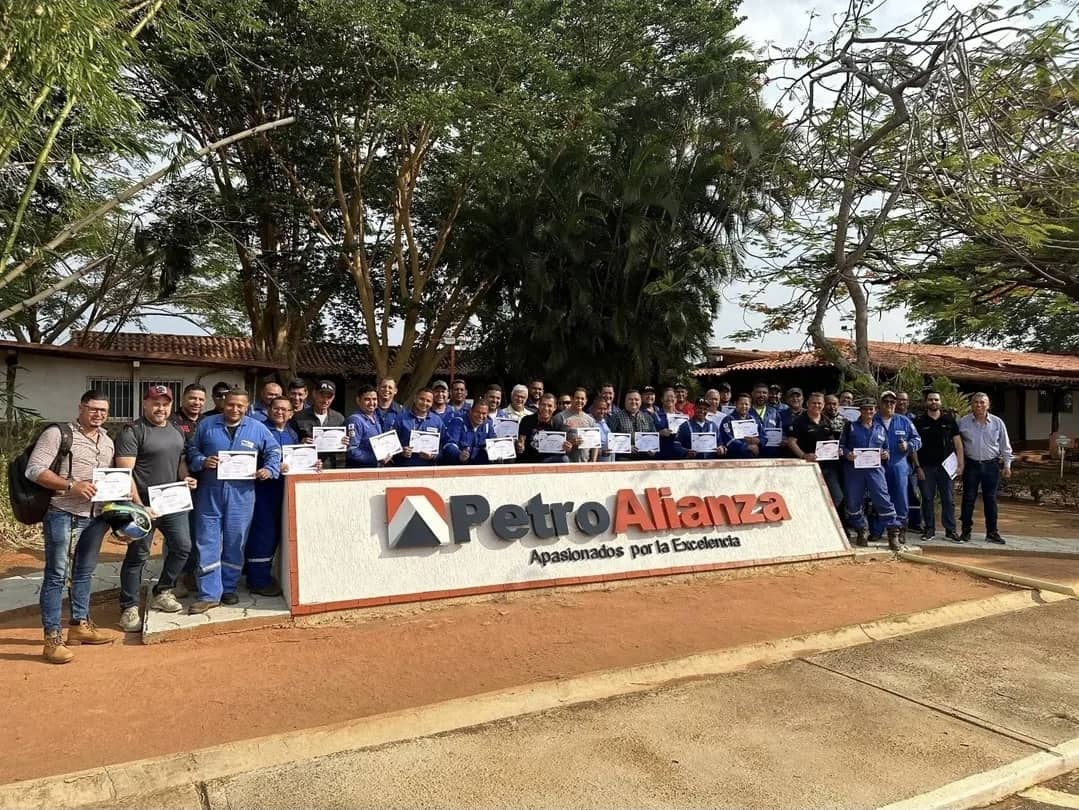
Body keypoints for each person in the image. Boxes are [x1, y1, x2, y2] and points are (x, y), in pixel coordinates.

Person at [25, 390, 119, 663]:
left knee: (84, 573)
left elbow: (111, 478)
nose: (98, 414)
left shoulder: (108, 442)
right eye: (93, 408)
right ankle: (51, 639)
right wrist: (70, 485)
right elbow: (34, 470)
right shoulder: (59, 433)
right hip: (62, 512)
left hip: (96, 517)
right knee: (56, 574)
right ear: (81, 408)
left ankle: (79, 626)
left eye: (103, 410)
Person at [186, 389, 281, 613]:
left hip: (242, 493)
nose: (234, 409)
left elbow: (274, 451)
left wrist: (269, 469)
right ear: (222, 404)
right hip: (210, 492)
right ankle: (209, 593)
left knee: (235, 541)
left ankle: (228, 588)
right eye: (230, 404)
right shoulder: (207, 425)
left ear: (247, 407)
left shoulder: (257, 428)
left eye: (240, 406)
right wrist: (201, 461)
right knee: (206, 540)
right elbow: (191, 450)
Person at [114, 385, 197, 631]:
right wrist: (140, 507)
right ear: (145, 404)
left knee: (183, 547)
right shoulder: (133, 431)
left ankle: (163, 590)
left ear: (171, 406)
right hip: (142, 505)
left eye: (165, 404)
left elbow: (180, 462)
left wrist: (186, 478)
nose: (161, 408)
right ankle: (128, 607)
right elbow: (124, 472)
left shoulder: (175, 431)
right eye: (155, 403)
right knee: (138, 555)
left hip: (172, 502)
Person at [246, 396, 303, 596]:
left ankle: (265, 574)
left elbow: (296, 461)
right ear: (268, 409)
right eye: (276, 408)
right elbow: (246, 460)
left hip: (284, 490)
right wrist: (268, 467)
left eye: (285, 410)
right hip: (263, 491)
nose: (280, 412)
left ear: (291, 413)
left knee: (278, 534)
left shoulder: (292, 434)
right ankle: (257, 581)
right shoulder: (258, 431)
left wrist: (312, 463)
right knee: (263, 534)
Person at [840, 397, 903, 550]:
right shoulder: (850, 427)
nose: (868, 411)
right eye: (865, 409)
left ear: (875, 410)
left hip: (875, 470)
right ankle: (862, 530)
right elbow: (841, 446)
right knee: (853, 502)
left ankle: (893, 534)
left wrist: (885, 454)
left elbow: (887, 449)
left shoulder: (880, 428)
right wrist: (847, 454)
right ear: (860, 411)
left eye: (871, 409)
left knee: (883, 499)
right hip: (854, 470)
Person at [958, 393, 1013, 544]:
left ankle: (992, 532)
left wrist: (1007, 465)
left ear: (988, 405)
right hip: (971, 465)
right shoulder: (963, 422)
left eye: (982, 402)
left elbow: (1005, 445)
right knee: (968, 499)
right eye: (975, 402)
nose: (979, 405)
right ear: (971, 405)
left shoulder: (997, 422)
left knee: (991, 500)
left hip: (991, 466)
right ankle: (965, 531)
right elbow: (956, 444)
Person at [867, 391, 922, 542]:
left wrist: (909, 445)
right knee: (878, 498)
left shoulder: (903, 421)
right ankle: (876, 530)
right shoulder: (873, 420)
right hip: (877, 467)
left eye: (892, 402)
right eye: (886, 402)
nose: (889, 405)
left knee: (900, 499)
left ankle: (899, 530)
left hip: (899, 466)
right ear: (880, 404)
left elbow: (917, 439)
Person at [914, 391, 963, 542]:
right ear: (925, 402)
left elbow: (958, 444)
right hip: (926, 467)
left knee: (948, 499)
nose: (933, 402)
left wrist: (961, 464)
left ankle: (950, 530)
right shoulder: (919, 421)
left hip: (946, 467)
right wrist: (918, 467)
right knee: (927, 498)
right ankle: (929, 529)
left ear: (940, 402)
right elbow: (914, 447)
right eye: (930, 400)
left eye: (936, 399)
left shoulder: (949, 420)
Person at [785, 392, 844, 520]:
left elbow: (831, 440)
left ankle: (828, 522)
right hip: (808, 467)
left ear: (823, 405)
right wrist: (803, 455)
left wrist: (836, 450)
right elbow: (791, 442)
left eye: (819, 403)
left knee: (837, 496)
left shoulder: (826, 420)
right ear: (807, 404)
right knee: (810, 496)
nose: (817, 405)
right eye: (814, 403)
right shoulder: (799, 421)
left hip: (828, 466)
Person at [293, 380, 346, 468]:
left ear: (333, 397)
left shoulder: (339, 418)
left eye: (329, 397)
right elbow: (290, 443)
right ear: (314, 394)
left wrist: (344, 443)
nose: (325, 400)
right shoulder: (299, 417)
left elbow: (342, 450)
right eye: (322, 395)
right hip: (305, 466)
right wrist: (300, 443)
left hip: (329, 467)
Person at [396, 389, 444, 467]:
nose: (424, 403)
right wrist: (401, 451)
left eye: (428, 401)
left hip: (428, 469)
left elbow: (442, 446)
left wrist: (433, 456)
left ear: (432, 403)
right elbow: (392, 445)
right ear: (415, 399)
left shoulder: (437, 421)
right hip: (404, 467)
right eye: (421, 399)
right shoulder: (401, 418)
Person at [517, 394, 571, 462]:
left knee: (564, 459)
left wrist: (567, 447)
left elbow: (564, 448)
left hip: (548, 459)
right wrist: (520, 445)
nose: (546, 408)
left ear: (555, 408)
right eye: (543, 405)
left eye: (549, 406)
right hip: (529, 458)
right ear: (539, 405)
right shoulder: (527, 420)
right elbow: (521, 440)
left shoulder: (558, 423)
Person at [607, 390, 658, 460]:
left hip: (645, 460)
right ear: (625, 401)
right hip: (623, 460)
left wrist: (653, 449)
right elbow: (610, 440)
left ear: (640, 401)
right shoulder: (616, 417)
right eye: (630, 399)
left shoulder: (647, 418)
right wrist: (627, 447)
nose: (634, 402)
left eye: (636, 400)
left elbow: (653, 437)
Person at [552, 388, 599, 463]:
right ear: (572, 399)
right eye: (577, 398)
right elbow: (553, 441)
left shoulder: (590, 420)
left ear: (586, 401)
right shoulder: (560, 417)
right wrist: (571, 442)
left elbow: (595, 443)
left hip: (585, 463)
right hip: (565, 463)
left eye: (582, 398)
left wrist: (593, 460)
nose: (580, 401)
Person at [345, 385, 387, 468]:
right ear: (358, 400)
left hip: (374, 468)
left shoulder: (376, 417)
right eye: (367, 399)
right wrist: (375, 458)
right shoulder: (355, 420)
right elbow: (352, 450)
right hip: (359, 471)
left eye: (374, 399)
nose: (372, 403)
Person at [719, 393, 762, 459]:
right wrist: (746, 446)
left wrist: (758, 441)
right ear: (735, 404)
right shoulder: (727, 420)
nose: (744, 406)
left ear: (750, 406)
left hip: (752, 457)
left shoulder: (754, 420)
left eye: (746, 404)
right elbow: (728, 439)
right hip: (734, 458)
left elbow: (764, 436)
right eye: (741, 404)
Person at [653, 388, 687, 460]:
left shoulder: (683, 416)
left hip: (679, 455)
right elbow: (649, 434)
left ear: (676, 399)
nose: (670, 399)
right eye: (667, 396)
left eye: (672, 396)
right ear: (662, 399)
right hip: (661, 454)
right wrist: (659, 433)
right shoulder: (654, 415)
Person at [750, 383, 783, 457]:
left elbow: (780, 431)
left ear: (768, 395)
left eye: (764, 393)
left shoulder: (774, 412)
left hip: (771, 454)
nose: (761, 395)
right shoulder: (746, 412)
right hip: (752, 454)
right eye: (758, 392)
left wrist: (782, 439)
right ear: (753, 394)